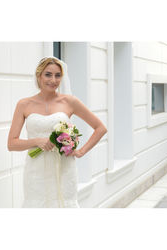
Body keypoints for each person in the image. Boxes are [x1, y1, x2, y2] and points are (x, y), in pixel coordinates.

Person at [8, 57, 107, 208]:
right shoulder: (24, 104)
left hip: (64, 168)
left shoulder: (69, 102)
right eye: (48, 74)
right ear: (39, 76)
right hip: (36, 170)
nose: (53, 80)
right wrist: (36, 141)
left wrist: (81, 151)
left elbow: (100, 128)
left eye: (58, 75)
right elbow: (12, 143)